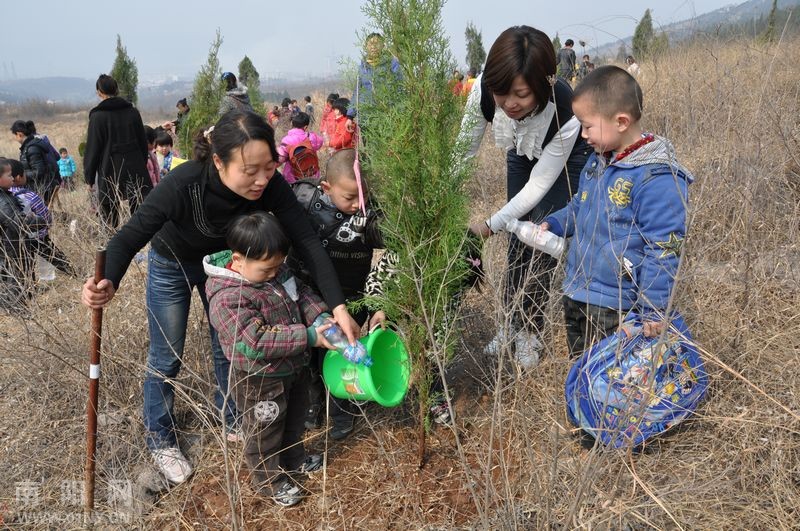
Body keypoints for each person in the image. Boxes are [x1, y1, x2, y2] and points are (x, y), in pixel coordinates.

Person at [80, 110, 360, 485]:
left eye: (269, 167)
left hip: (232, 267)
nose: (262, 180)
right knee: (167, 354)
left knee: (227, 347)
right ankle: (160, 437)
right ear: (218, 160)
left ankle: (232, 418)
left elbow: (307, 241)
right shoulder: (185, 184)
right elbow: (132, 234)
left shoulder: (269, 184)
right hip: (174, 262)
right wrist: (108, 280)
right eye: (250, 170)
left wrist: (338, 307)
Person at [462, 26, 592, 368]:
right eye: (501, 93)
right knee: (516, 238)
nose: (509, 103)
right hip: (521, 149)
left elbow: (538, 186)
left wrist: (489, 225)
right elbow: (461, 155)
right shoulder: (484, 92)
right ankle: (511, 324)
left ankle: (530, 334)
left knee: (539, 237)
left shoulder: (565, 105)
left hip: (565, 155)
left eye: (520, 94)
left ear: (542, 84)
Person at [541, 65, 692, 357]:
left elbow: (663, 248)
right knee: (585, 370)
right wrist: (555, 223)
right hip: (578, 292)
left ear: (621, 121)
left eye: (587, 125)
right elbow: (579, 206)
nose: (583, 135)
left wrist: (653, 309)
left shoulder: (656, 178)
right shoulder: (598, 161)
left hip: (617, 305)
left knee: (617, 382)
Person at [204, 211, 330, 506]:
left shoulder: (277, 272)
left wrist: (321, 316)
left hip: (293, 367)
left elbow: (303, 295)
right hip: (259, 380)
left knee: (295, 418)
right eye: (266, 269)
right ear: (238, 259)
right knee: (266, 431)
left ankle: (294, 459)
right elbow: (255, 341)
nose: (274, 274)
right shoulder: (227, 297)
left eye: (278, 267)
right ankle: (269, 481)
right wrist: (309, 336)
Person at [290, 149, 385, 440]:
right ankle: (312, 406)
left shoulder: (371, 216)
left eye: (363, 197)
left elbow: (392, 250)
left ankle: (343, 411)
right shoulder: (305, 203)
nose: (358, 205)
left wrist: (377, 306)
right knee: (308, 357)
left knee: (346, 354)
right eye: (349, 197)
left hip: (351, 298)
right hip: (307, 296)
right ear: (326, 188)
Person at [83, 74, 151, 230]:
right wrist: (142, 163)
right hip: (135, 168)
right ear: (117, 90)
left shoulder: (98, 117)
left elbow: (93, 149)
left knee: (109, 217)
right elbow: (142, 142)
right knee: (139, 213)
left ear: (99, 92)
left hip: (109, 170)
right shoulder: (133, 112)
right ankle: (139, 242)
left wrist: (89, 178)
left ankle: (111, 247)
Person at [8, 159, 76, 278]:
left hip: (18, 239)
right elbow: (45, 215)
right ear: (19, 177)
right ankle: (72, 272)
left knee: (26, 266)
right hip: (38, 236)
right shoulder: (29, 195)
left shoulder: (6, 195)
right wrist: (46, 226)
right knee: (54, 256)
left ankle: (31, 287)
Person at [0, 158, 38, 311]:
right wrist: (40, 221)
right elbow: (17, 223)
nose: (13, 178)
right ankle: (18, 311)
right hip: (12, 247)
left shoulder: (5, 195)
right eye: (9, 175)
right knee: (16, 280)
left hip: (10, 246)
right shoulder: (3, 201)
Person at [349, 33, 402, 123]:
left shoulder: (392, 63)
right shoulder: (363, 66)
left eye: (376, 44)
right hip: (367, 117)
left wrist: (400, 112)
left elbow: (400, 88)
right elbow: (357, 92)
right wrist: (350, 116)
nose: (373, 47)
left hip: (387, 115)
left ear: (383, 46)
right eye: (370, 44)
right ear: (366, 47)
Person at [9, 120, 60, 206]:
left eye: (15, 135)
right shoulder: (28, 146)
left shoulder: (32, 148)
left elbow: (39, 171)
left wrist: (23, 175)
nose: (15, 138)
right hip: (38, 185)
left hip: (42, 187)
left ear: (19, 134)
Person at [277, 112, 323, 183]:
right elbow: (320, 141)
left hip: (293, 177)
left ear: (292, 124)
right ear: (305, 127)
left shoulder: (286, 140)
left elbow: (281, 158)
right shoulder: (312, 137)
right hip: (312, 174)